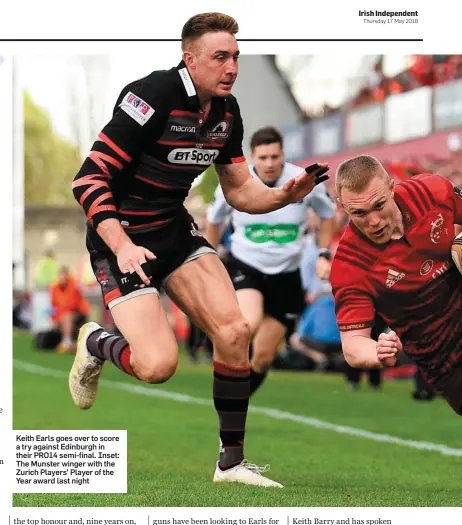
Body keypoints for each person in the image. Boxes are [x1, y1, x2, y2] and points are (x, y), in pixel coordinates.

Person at [69, 12, 329, 488]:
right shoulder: (151, 96)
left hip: (173, 231)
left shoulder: (228, 115)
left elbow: (240, 192)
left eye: (236, 57)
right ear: (190, 59)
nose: (231, 67)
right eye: (220, 57)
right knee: (158, 366)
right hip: (120, 237)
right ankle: (94, 343)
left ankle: (230, 463)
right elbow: (88, 180)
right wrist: (123, 246)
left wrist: (283, 197)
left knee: (234, 330)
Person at [205, 126, 336, 397]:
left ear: (283, 155)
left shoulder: (304, 181)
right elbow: (214, 218)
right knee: (248, 323)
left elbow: (328, 215)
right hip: (246, 266)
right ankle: (224, 375)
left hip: (287, 274)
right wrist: (210, 254)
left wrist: (324, 253)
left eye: (274, 157)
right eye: (262, 158)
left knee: (263, 358)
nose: (269, 163)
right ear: (252, 157)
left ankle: (234, 400)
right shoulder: (235, 181)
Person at [330, 154, 462, 415]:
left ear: (392, 186)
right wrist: (377, 352)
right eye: (359, 213)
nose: (374, 221)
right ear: (342, 206)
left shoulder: (432, 191)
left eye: (379, 205)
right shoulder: (350, 266)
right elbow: (353, 344)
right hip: (445, 358)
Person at [50, 266, 91, 352]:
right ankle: (59, 341)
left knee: (67, 316)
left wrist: (61, 315)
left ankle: (67, 341)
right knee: (56, 320)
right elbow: (54, 305)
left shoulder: (73, 286)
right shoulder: (54, 288)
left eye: (65, 276)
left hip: (79, 312)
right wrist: (55, 318)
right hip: (63, 313)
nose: (63, 279)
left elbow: (73, 305)